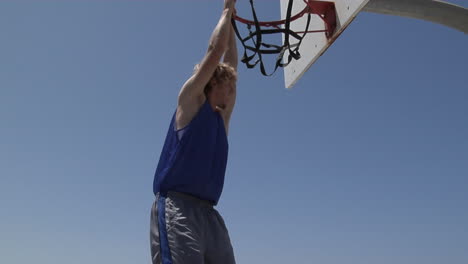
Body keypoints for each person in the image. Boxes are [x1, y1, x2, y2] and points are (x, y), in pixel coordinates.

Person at [150, 0, 238, 263]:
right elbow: (217, 49)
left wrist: (232, 21)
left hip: (209, 212)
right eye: (227, 84)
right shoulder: (189, 102)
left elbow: (232, 58)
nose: (232, 89)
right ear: (213, 82)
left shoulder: (221, 119)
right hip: (178, 206)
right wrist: (227, 8)